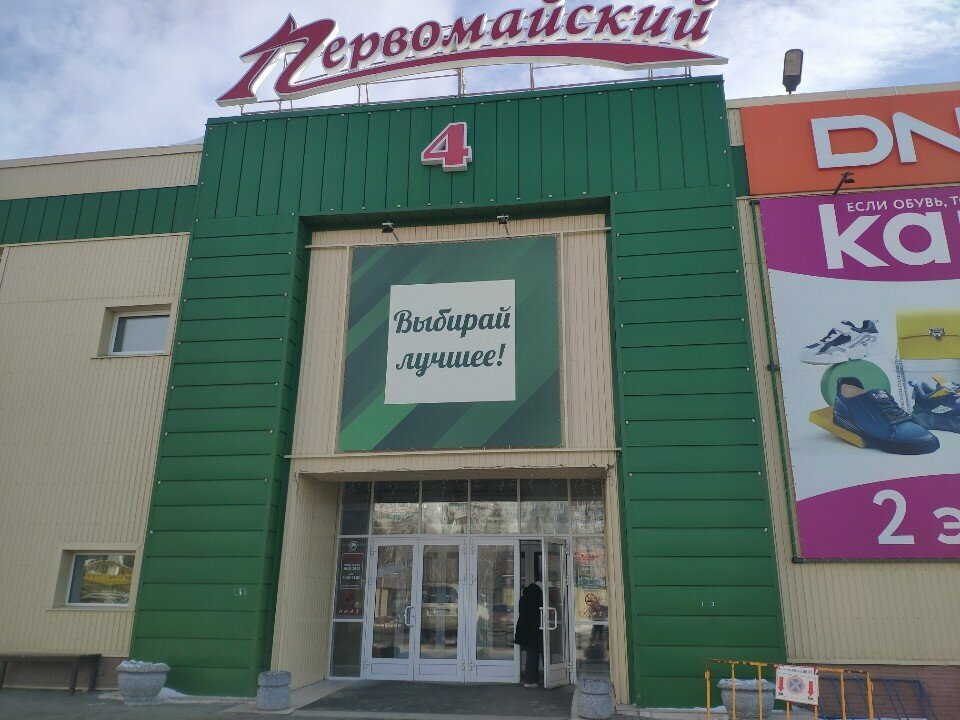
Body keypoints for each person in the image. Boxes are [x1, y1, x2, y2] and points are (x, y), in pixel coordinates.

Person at [514, 577, 544, 688]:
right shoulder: (536, 597)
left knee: (532, 654)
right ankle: (530, 681)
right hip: (532, 630)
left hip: (524, 629)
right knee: (533, 654)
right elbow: (537, 614)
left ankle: (532, 680)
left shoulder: (525, 596)